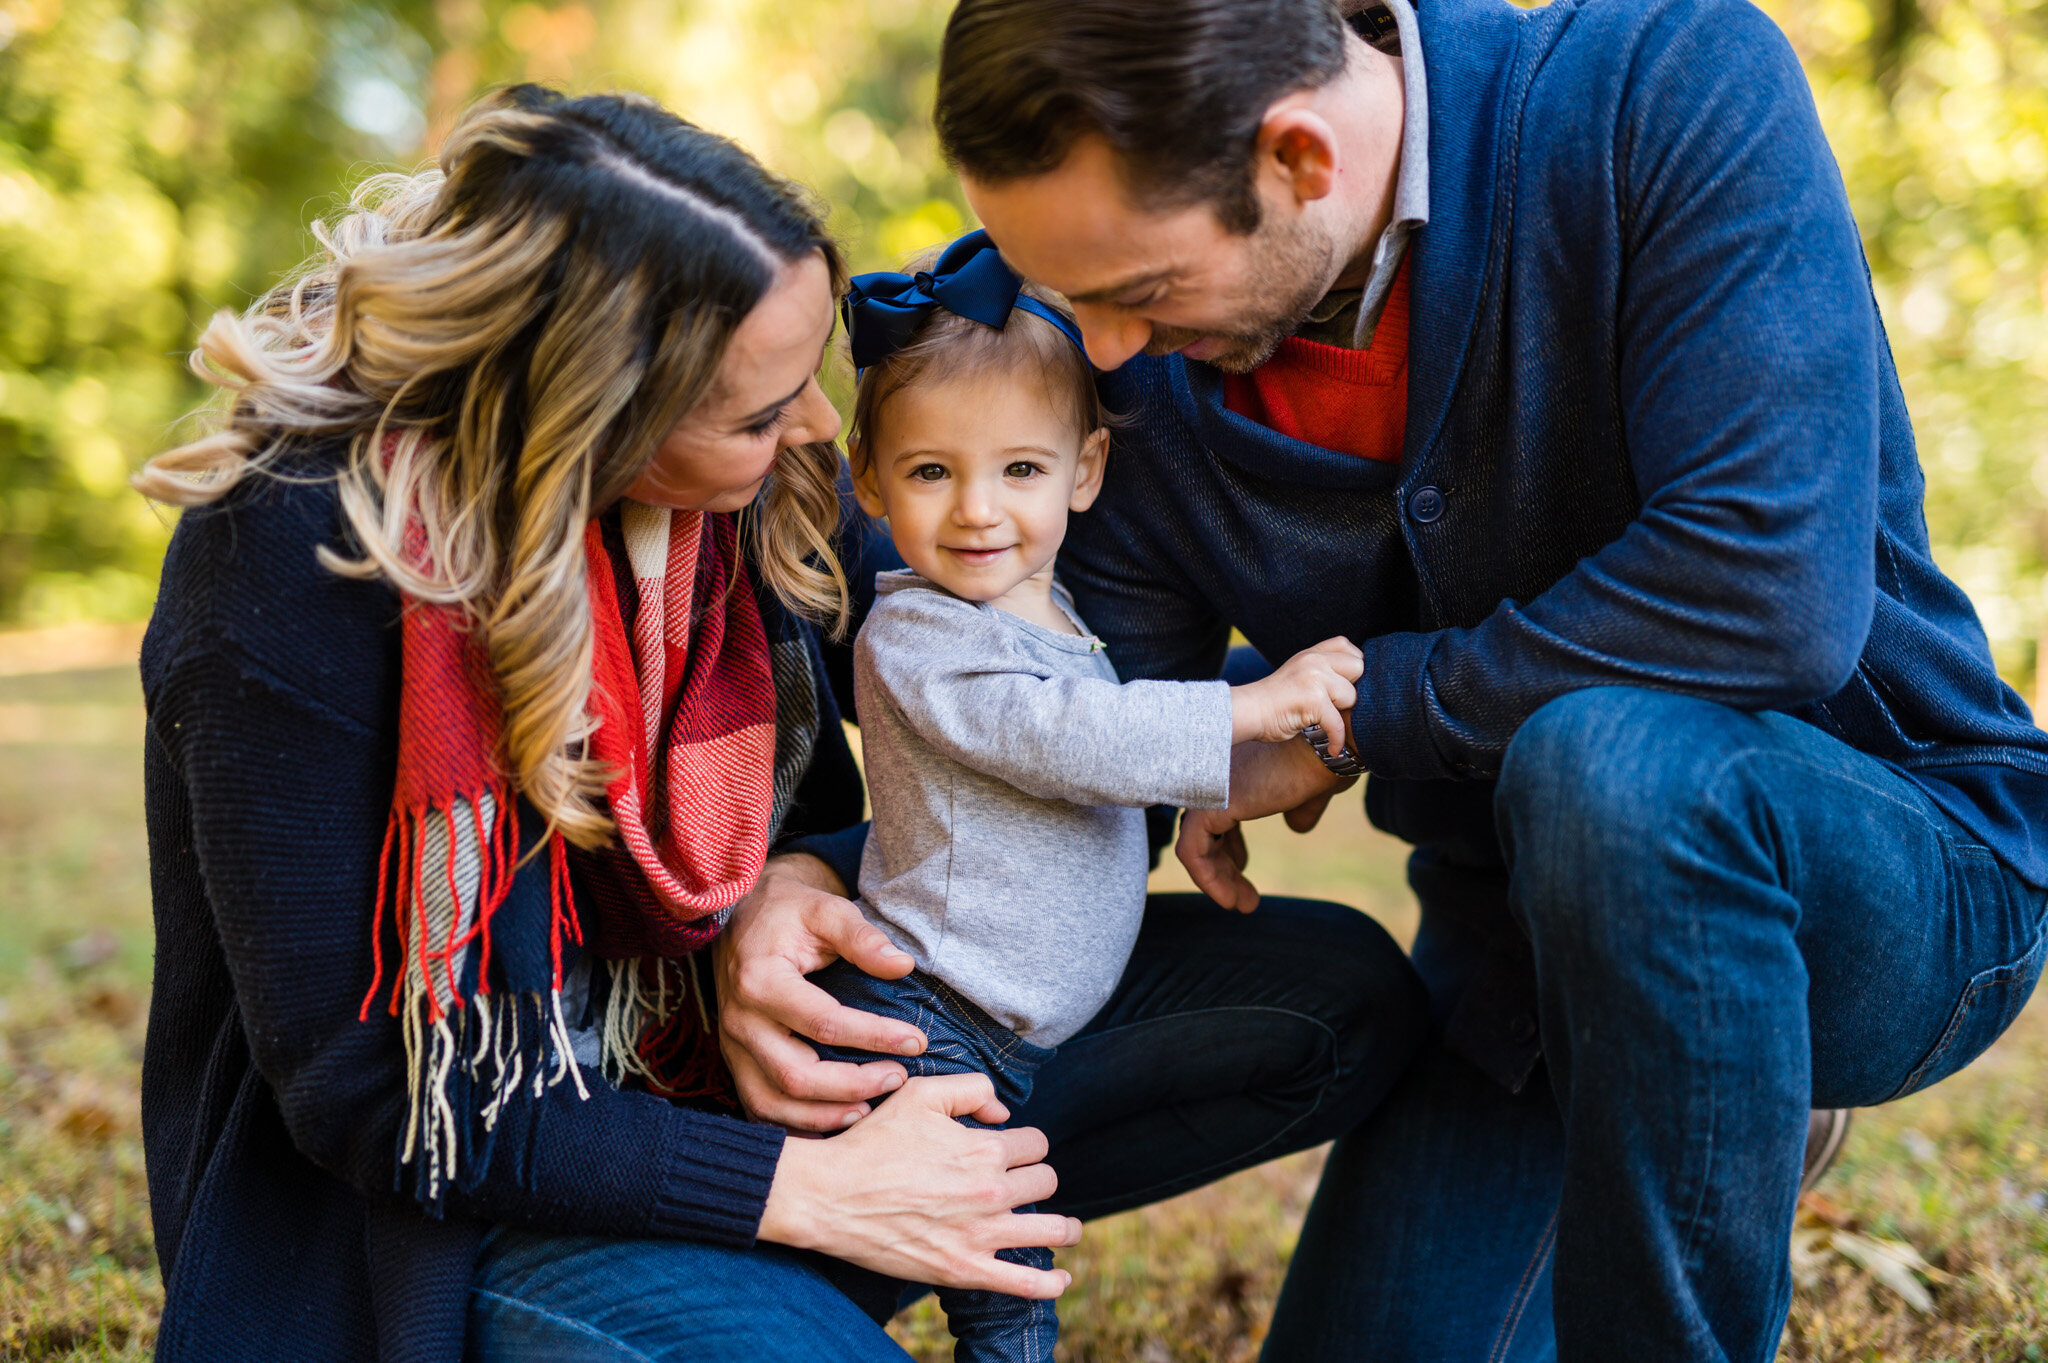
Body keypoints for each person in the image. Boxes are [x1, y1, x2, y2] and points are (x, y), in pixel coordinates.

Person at [724, 0, 2048, 1357]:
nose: (1101, 353)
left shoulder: (1668, 88)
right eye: (1070, 294)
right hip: (1519, 969)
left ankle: (1728, 1062)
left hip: (1900, 864)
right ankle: (1677, 1081)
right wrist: (819, 871)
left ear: (1298, 158)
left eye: (1140, 290)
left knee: (1614, 765)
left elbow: (1765, 587)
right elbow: (1056, 729)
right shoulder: (1133, 370)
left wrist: (1360, 714)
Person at [134, 84, 1428, 1361]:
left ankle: (791, 1284)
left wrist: (793, 878)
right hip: (475, 1213)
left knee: (1330, 996)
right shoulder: (295, 548)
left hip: (755, 1084)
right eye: (762, 410)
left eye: (807, 379)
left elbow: (1020, 694)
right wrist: (807, 1189)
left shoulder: (736, 493)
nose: (814, 425)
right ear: (599, 412)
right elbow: (374, 1099)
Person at [806, 230, 1375, 1360]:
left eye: (1019, 470)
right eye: (931, 472)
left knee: (987, 1247)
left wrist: (1285, 747)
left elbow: (1110, 732)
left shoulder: (1044, 606)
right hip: (933, 1023)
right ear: (870, 481)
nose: (978, 510)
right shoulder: (917, 634)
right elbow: (1067, 737)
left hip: (1010, 1028)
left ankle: (810, 1301)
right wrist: (1249, 706)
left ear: (1083, 471)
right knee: (1003, 1283)